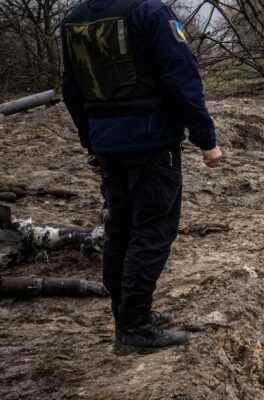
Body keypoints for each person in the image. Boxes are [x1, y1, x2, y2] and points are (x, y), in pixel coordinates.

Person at [60, 0, 222, 354]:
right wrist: (206, 139)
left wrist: (91, 139)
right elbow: (180, 77)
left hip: (107, 142)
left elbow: (71, 87)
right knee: (152, 230)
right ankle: (135, 326)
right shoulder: (150, 13)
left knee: (120, 229)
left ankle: (127, 316)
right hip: (151, 140)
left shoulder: (73, 19)